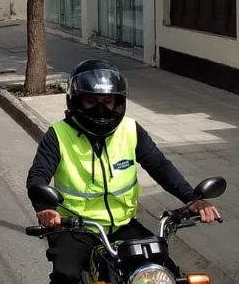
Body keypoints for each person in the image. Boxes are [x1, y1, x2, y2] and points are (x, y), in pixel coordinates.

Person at [26, 59, 221, 284]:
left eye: (107, 101)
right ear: (76, 101)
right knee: (65, 275)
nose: (100, 108)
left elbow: (160, 166)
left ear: (118, 102)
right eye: (91, 101)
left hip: (123, 225)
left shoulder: (130, 130)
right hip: (76, 229)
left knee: (164, 269)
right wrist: (45, 208)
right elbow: (38, 176)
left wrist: (191, 199)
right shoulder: (58, 135)